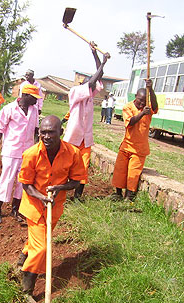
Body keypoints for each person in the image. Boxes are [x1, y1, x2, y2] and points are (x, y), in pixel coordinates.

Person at [17, 115, 86, 303]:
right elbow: (26, 184)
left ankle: (22, 258)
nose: (46, 137)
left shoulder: (73, 153)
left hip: (55, 207)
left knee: (39, 240)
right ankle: (27, 289)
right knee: (41, 249)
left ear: (60, 133)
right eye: (43, 132)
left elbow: (75, 181)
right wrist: (42, 197)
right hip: (34, 205)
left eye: (51, 132)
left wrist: (59, 188)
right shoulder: (31, 154)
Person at [63, 43, 110, 200]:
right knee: (65, 167)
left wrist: (95, 54)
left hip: (85, 139)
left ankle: (77, 196)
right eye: (90, 82)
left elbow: (99, 76)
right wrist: (102, 63)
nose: (94, 84)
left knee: (83, 168)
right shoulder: (75, 92)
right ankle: (59, 193)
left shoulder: (90, 95)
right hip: (72, 138)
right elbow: (93, 81)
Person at [0, 84, 41, 224]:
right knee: (6, 181)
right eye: (34, 97)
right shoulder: (9, 109)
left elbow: (36, 130)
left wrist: (36, 149)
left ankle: (15, 209)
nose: (36, 101)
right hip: (11, 151)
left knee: (22, 182)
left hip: (27, 152)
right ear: (25, 95)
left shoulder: (34, 110)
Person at [111, 79, 158, 201]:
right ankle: (118, 193)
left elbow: (155, 106)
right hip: (126, 145)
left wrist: (151, 89)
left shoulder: (148, 109)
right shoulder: (128, 107)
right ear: (135, 97)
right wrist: (142, 114)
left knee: (133, 172)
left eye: (144, 102)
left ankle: (129, 196)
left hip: (139, 149)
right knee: (120, 170)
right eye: (140, 101)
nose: (142, 104)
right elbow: (130, 122)